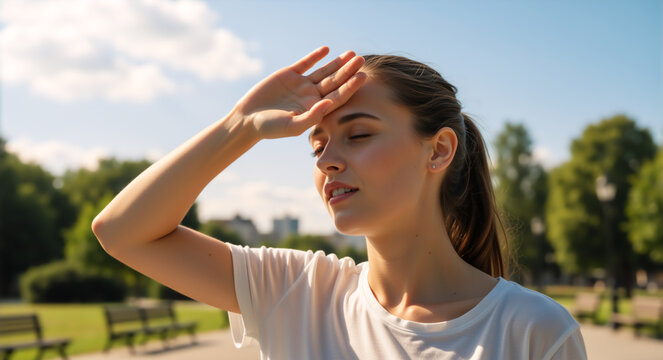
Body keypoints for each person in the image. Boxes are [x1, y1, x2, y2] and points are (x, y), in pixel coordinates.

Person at [92, 46, 587, 359]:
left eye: (358, 134)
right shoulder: (295, 291)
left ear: (437, 150)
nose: (327, 159)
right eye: (317, 144)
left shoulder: (534, 332)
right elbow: (120, 232)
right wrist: (239, 126)